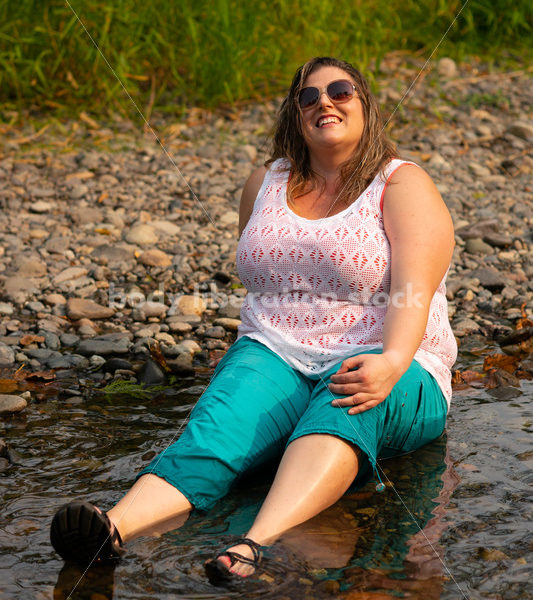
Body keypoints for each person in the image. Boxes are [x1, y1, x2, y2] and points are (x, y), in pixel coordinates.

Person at [50, 56, 457, 583]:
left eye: (340, 91)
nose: (324, 103)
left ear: (367, 105)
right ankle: (110, 530)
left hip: (392, 355)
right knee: (215, 429)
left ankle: (252, 544)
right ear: (295, 113)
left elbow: (412, 293)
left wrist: (393, 361)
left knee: (341, 413)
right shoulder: (266, 180)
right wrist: (247, 360)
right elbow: (259, 279)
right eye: (308, 97)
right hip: (276, 349)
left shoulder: (402, 184)